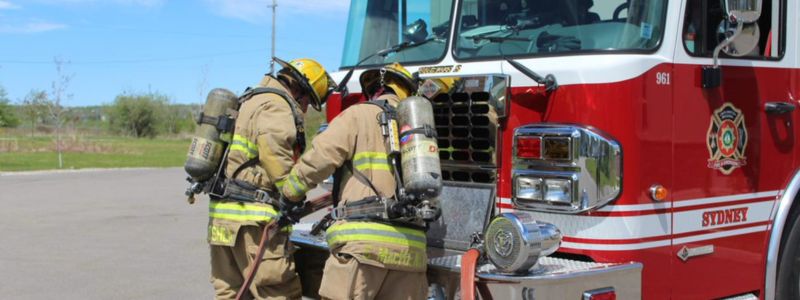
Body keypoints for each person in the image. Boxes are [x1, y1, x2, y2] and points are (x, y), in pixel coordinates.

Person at [280, 63, 428, 300]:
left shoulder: (357, 114)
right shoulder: (420, 130)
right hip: (411, 252)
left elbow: (319, 158)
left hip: (362, 247)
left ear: (375, 89)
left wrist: (289, 194)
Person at [208, 57, 334, 300]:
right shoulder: (276, 105)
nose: (306, 109)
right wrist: (293, 194)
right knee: (277, 291)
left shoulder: (250, 99)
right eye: (308, 101)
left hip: (223, 219)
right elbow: (275, 157)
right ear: (298, 89)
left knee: (231, 292)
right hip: (254, 222)